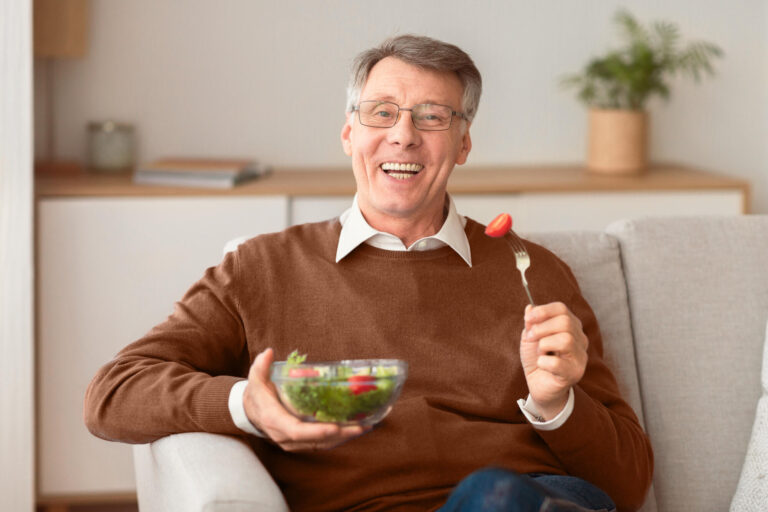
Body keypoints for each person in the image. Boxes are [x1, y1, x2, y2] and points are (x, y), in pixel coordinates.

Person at [85, 35, 653, 512]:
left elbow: (629, 483)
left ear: (462, 144)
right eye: (382, 112)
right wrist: (246, 405)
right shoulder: (261, 269)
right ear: (349, 133)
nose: (403, 134)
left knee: (495, 496)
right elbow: (112, 393)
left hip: (529, 499)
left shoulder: (535, 272)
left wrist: (558, 404)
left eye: (433, 117)